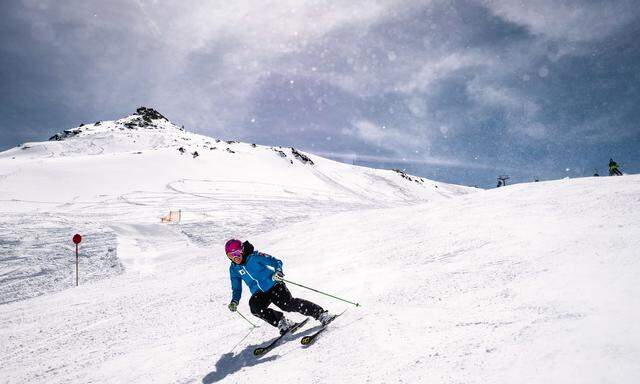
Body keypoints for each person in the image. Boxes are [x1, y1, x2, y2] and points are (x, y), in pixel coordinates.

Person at [225, 239, 334, 334]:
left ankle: (320, 314)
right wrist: (235, 301)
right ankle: (282, 322)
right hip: (259, 293)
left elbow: (275, 262)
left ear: (242, 250)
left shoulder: (255, 257)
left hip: (274, 284)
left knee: (287, 304)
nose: (235, 257)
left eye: (237, 253)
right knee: (255, 307)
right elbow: (237, 288)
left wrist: (278, 272)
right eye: (231, 255)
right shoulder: (234, 269)